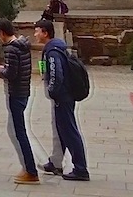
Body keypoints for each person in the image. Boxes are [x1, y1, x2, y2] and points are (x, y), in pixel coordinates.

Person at [36, 18, 88, 181]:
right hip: (63, 96)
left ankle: (81, 169)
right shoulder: (51, 49)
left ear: (45, 33)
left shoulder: (53, 51)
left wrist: (52, 91)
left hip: (63, 97)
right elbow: (44, 69)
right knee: (62, 131)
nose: (35, 34)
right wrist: (42, 73)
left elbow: (56, 73)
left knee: (69, 131)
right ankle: (55, 162)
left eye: (37, 31)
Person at [0, 19, 39, 185]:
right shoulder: (23, 46)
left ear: (2, 33)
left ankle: (30, 170)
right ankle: (28, 167)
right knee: (15, 130)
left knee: (18, 132)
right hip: (24, 91)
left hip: (16, 93)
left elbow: (11, 73)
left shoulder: (11, 49)